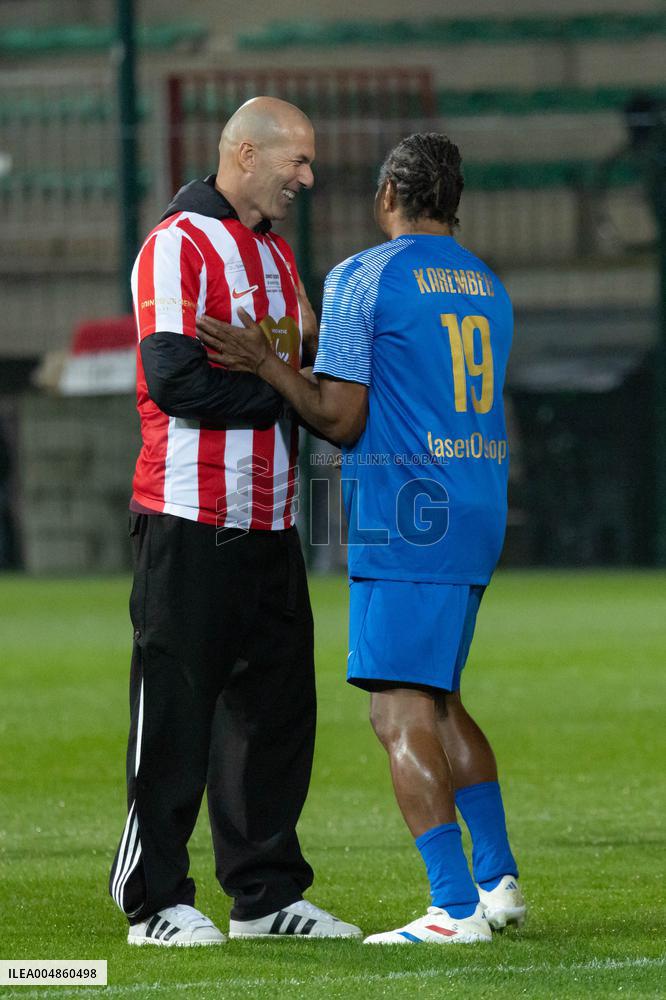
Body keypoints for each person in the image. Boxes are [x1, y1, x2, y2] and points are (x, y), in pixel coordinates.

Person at [196, 131, 526, 946]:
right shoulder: (487, 285)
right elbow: (415, 375)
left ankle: (452, 909)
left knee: (396, 710)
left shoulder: (361, 277)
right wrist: (312, 345)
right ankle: (498, 880)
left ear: (386, 196)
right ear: (455, 202)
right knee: (440, 696)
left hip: (406, 515)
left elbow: (339, 419)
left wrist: (264, 362)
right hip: (475, 503)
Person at [109, 96, 361, 946]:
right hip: (189, 518)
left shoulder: (278, 259)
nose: (309, 177)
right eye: (297, 160)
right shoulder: (175, 247)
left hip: (270, 521)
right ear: (245, 154)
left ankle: (263, 896)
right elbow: (179, 383)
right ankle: (154, 901)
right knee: (177, 712)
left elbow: (311, 365)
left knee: (276, 711)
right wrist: (283, 391)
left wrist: (283, 379)